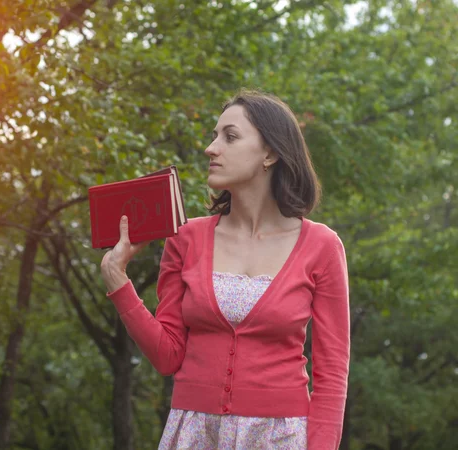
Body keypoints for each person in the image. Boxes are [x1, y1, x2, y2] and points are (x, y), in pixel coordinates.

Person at [100, 89, 350, 450]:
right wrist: (118, 282)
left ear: (270, 153)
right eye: (215, 136)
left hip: (279, 438)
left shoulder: (322, 247)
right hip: (194, 433)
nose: (211, 148)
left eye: (230, 137)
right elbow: (168, 356)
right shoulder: (185, 238)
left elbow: (331, 376)